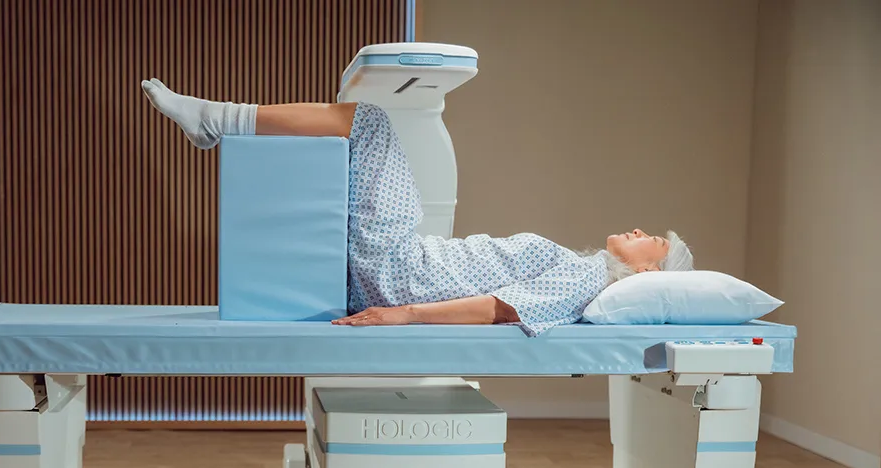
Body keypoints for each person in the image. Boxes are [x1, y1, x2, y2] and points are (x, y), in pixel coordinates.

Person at [140, 79, 694, 336]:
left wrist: (403, 313)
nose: (640, 229)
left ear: (650, 272)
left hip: (403, 271)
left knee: (370, 121)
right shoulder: (584, 269)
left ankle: (215, 119)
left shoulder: (587, 276)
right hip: (405, 266)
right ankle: (215, 121)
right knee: (367, 127)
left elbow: (502, 309)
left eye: (653, 240)